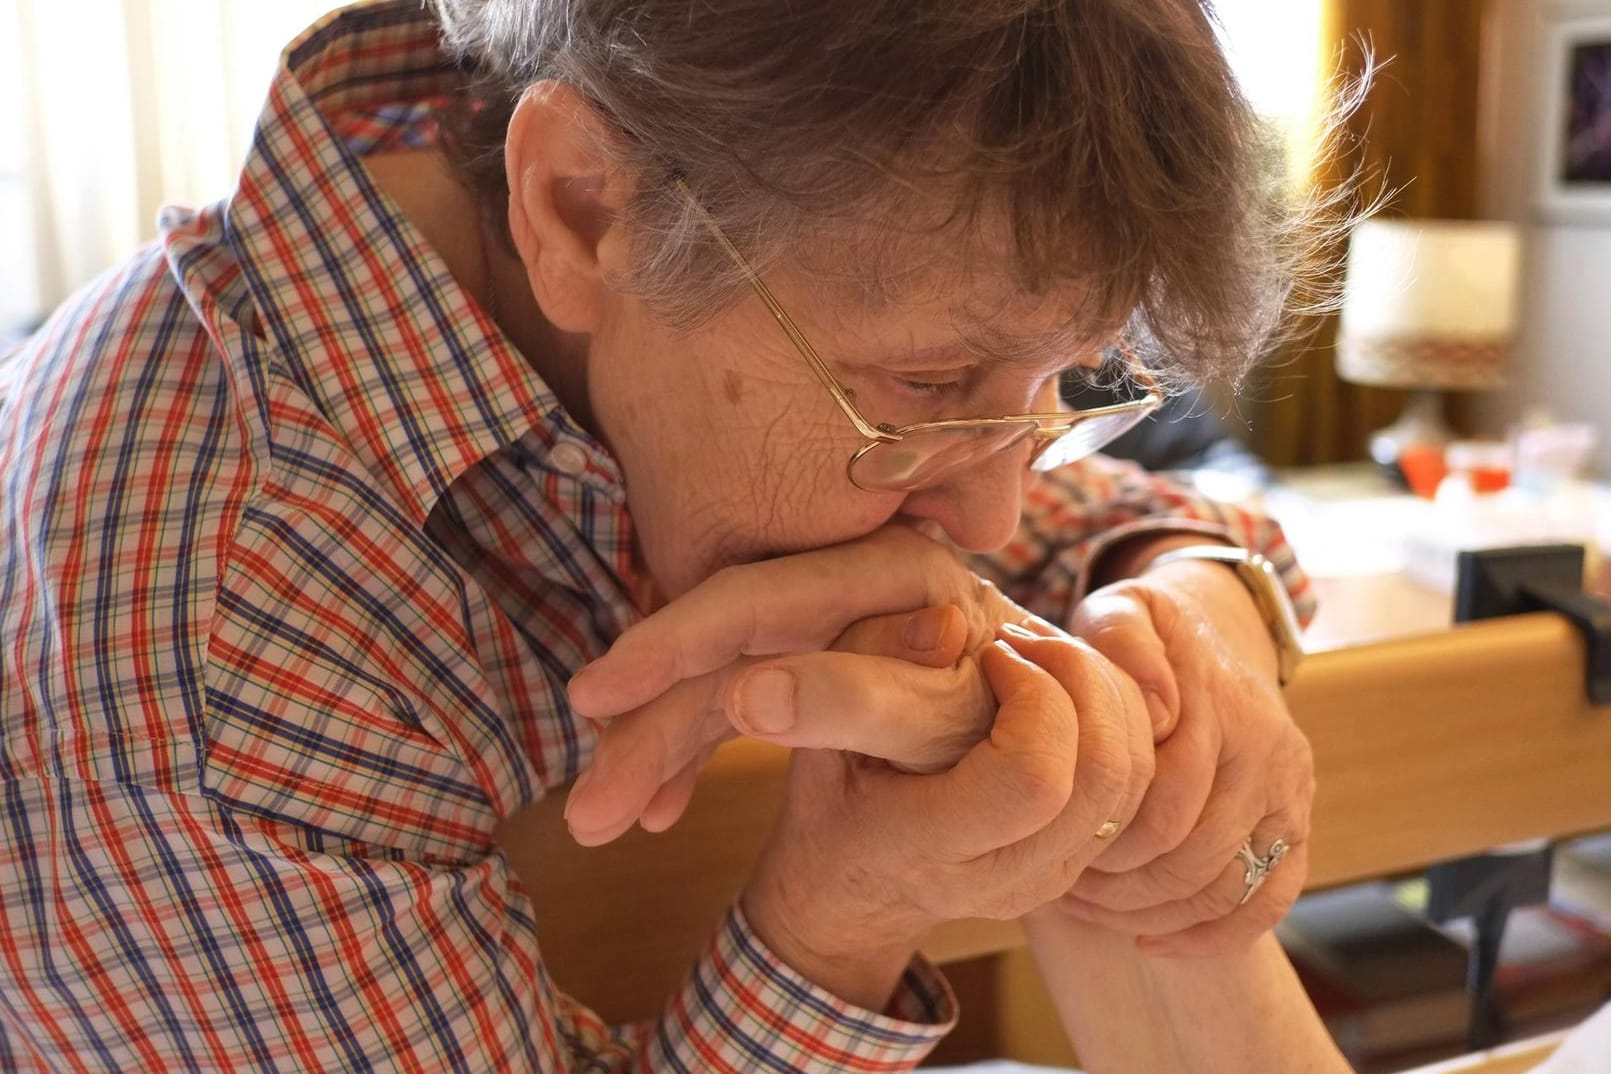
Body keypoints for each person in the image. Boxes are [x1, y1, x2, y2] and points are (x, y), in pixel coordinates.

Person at [0, 1, 1350, 1071]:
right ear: (583, 207)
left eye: (1060, 385)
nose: (993, 513)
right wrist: (840, 912)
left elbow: (1114, 521)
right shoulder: (213, 656)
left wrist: (1190, 610)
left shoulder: (668, 280)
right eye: (929, 390)